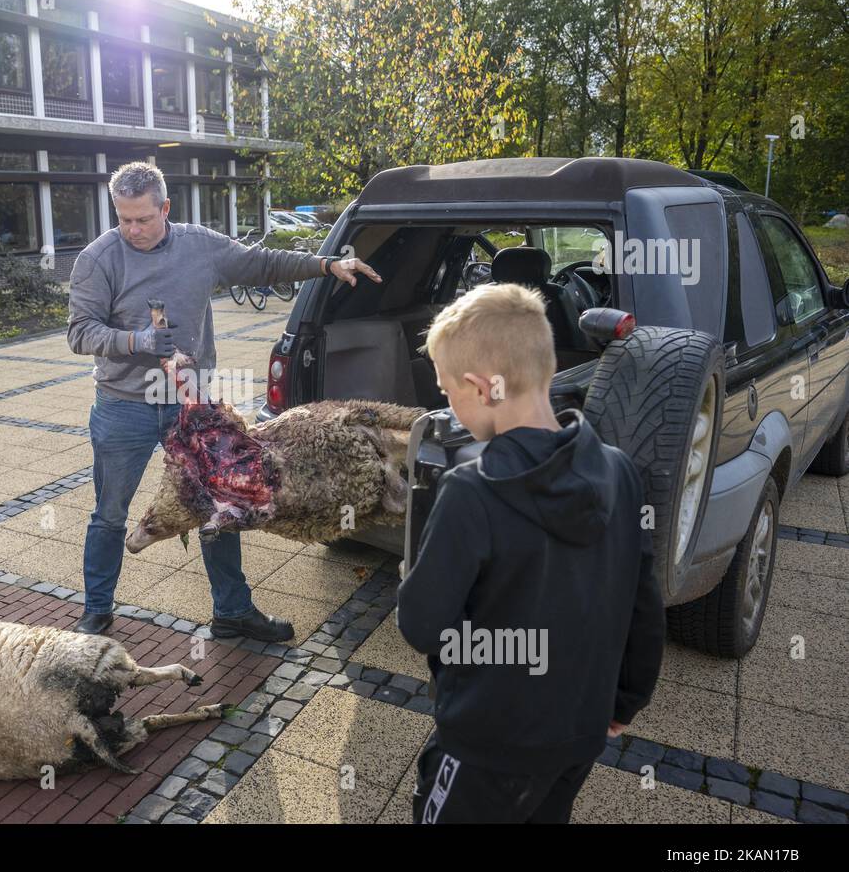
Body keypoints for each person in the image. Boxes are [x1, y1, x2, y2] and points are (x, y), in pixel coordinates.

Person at [66, 161, 381, 639]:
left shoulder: (198, 246)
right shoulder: (98, 258)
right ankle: (96, 612)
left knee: (220, 505)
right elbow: (79, 332)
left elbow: (262, 264)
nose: (133, 229)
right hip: (122, 404)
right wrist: (137, 343)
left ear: (165, 208)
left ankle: (232, 613)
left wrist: (325, 265)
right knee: (110, 512)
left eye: (143, 219)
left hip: (190, 401)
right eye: (123, 218)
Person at [396, 280, 664, 823]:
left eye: (448, 391)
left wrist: (416, 576)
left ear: (480, 387)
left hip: (487, 747)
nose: (448, 403)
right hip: (578, 736)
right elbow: (642, 600)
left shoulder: (471, 492)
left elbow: (423, 626)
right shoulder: (618, 470)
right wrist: (625, 700)